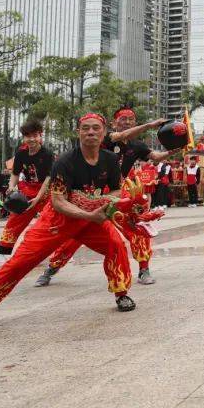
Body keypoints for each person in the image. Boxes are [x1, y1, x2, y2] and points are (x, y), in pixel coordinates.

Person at [0, 113, 134, 331]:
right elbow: (58, 202)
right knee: (20, 262)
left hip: (91, 218)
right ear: (78, 132)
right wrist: (88, 213)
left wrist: (104, 203)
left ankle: (121, 294)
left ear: (104, 132)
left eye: (96, 128)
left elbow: (117, 188)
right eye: (86, 128)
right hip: (57, 220)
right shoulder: (64, 161)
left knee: (116, 245)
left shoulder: (110, 160)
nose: (91, 132)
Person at [35, 107, 178, 288]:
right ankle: (52, 268)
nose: (126, 122)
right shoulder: (105, 137)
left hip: (120, 192)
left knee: (137, 227)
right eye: (122, 119)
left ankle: (144, 269)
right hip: (93, 193)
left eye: (130, 119)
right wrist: (150, 124)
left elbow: (156, 156)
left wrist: (174, 149)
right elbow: (120, 136)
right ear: (113, 124)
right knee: (76, 233)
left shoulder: (137, 145)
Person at [0, 119, 56, 270]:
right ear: (23, 137)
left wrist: (38, 197)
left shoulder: (47, 154)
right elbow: (15, 173)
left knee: (52, 223)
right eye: (27, 135)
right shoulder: (21, 153)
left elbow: (49, 178)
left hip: (47, 192)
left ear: (40, 136)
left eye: (35, 135)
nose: (31, 139)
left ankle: (57, 255)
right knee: (14, 222)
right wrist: (11, 186)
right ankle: (1, 254)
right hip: (27, 190)